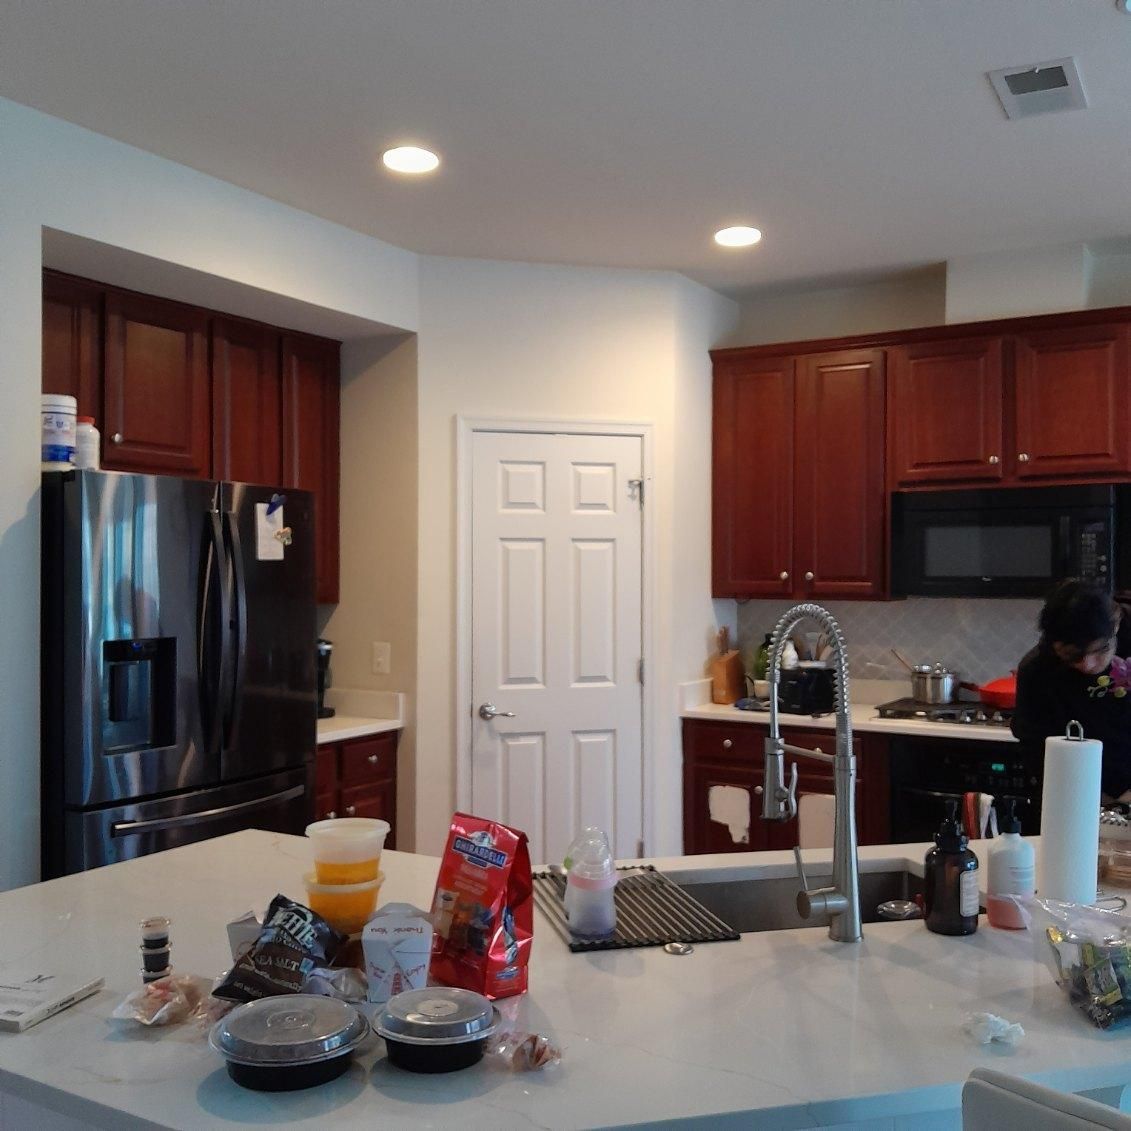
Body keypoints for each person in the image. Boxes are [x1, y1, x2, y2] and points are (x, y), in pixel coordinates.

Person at [1012, 579, 1131, 802]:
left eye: (1100, 650)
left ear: (1115, 625)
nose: (1088, 664)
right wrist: (1089, 795)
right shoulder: (1037, 670)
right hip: (1073, 793)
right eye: (1072, 655)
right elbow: (1036, 747)